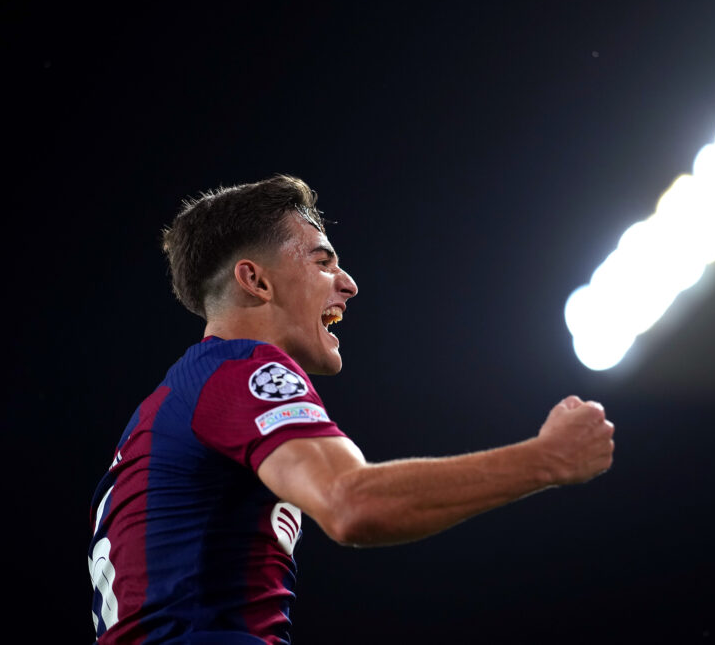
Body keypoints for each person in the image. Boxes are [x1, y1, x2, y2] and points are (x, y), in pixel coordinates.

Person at [88, 174, 615, 644]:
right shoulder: (240, 369)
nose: (349, 283)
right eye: (322, 260)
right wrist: (549, 458)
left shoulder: (165, 410)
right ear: (256, 281)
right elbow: (352, 503)